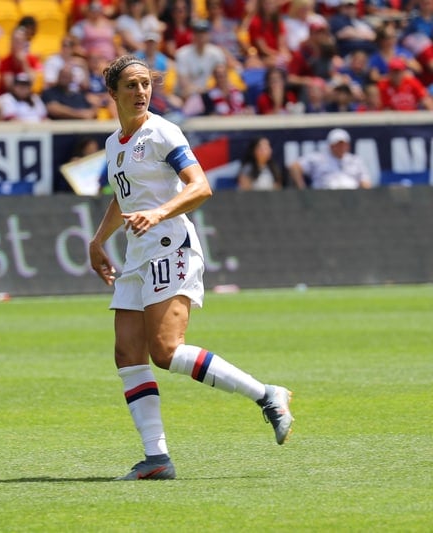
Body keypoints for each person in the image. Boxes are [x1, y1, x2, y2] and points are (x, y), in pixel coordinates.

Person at [88, 55, 294, 481]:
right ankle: (156, 458)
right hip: (137, 253)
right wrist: (98, 240)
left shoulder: (162, 132)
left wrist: (160, 213)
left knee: (165, 351)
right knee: (127, 353)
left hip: (168, 244)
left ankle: (267, 395)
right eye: (131, 85)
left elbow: (200, 186)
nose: (141, 92)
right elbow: (123, 197)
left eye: (145, 84)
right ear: (113, 93)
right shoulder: (115, 144)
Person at [288, 128, 372, 189]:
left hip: (351, 200)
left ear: (348, 145)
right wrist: (302, 189)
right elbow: (294, 166)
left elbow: (365, 182)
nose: (341, 147)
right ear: (330, 145)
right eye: (337, 144)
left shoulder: (355, 160)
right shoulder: (318, 158)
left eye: (343, 144)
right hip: (324, 199)